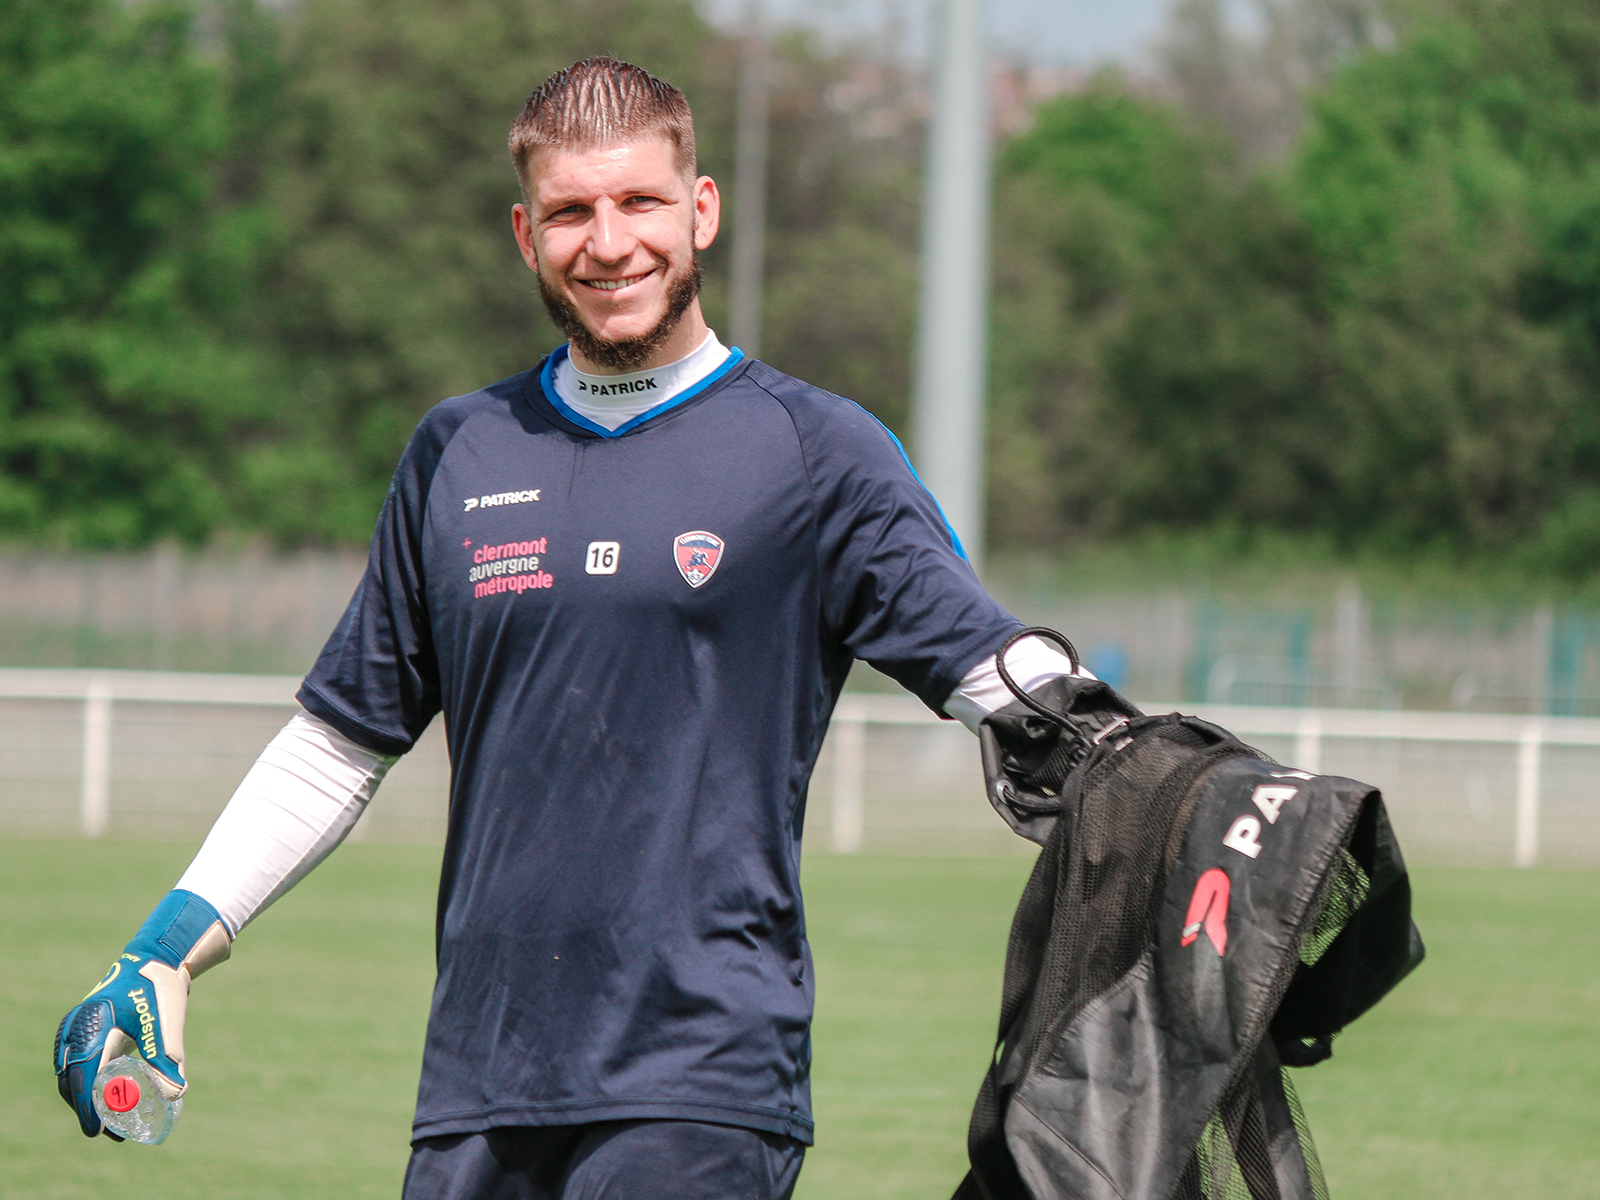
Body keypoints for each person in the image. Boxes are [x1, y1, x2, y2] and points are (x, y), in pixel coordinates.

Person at [54, 57, 1078, 1199]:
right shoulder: (459, 449)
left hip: (697, 1086)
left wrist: (1185, 783)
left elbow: (999, 674)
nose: (608, 242)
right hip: (474, 1090)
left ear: (701, 209)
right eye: (570, 213)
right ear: (524, 233)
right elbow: (339, 744)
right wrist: (163, 949)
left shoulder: (812, 450)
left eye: (640, 201)